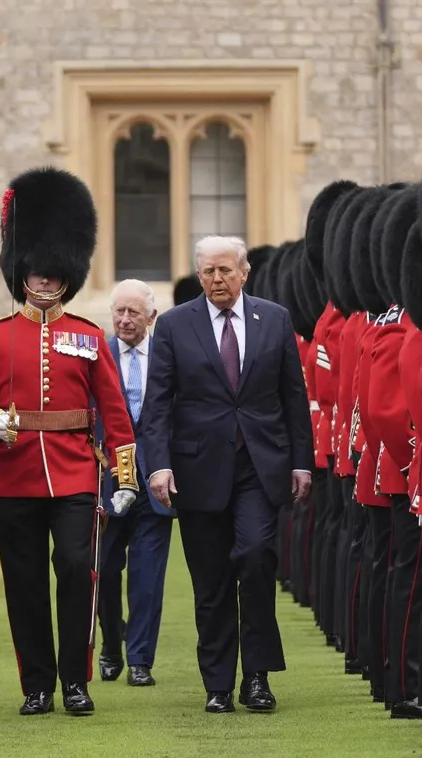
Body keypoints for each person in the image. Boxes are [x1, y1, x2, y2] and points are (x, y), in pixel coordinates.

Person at [0, 167, 138, 717]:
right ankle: (36, 684)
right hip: (13, 477)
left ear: (67, 273)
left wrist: (124, 476)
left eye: (53, 272)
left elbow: (114, 412)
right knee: (25, 583)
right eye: (34, 271)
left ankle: (75, 681)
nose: (43, 280)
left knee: (77, 570)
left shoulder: (86, 336)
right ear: (22, 271)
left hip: (75, 473)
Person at [141, 234, 312, 714]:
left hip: (260, 465)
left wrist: (302, 461)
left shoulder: (274, 319)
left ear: (244, 272)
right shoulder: (175, 325)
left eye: (225, 270)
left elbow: (293, 397)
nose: (217, 279)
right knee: (211, 581)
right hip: (198, 470)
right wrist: (158, 466)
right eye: (208, 272)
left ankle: (256, 677)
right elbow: (157, 406)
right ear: (199, 276)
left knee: (257, 559)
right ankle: (218, 683)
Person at [95, 279, 175, 687]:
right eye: (119, 313)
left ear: (151, 317)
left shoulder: (166, 356)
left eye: (133, 314)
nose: (125, 321)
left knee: (148, 577)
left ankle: (140, 658)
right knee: (105, 569)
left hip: (156, 482)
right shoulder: (97, 355)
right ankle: (111, 641)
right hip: (109, 483)